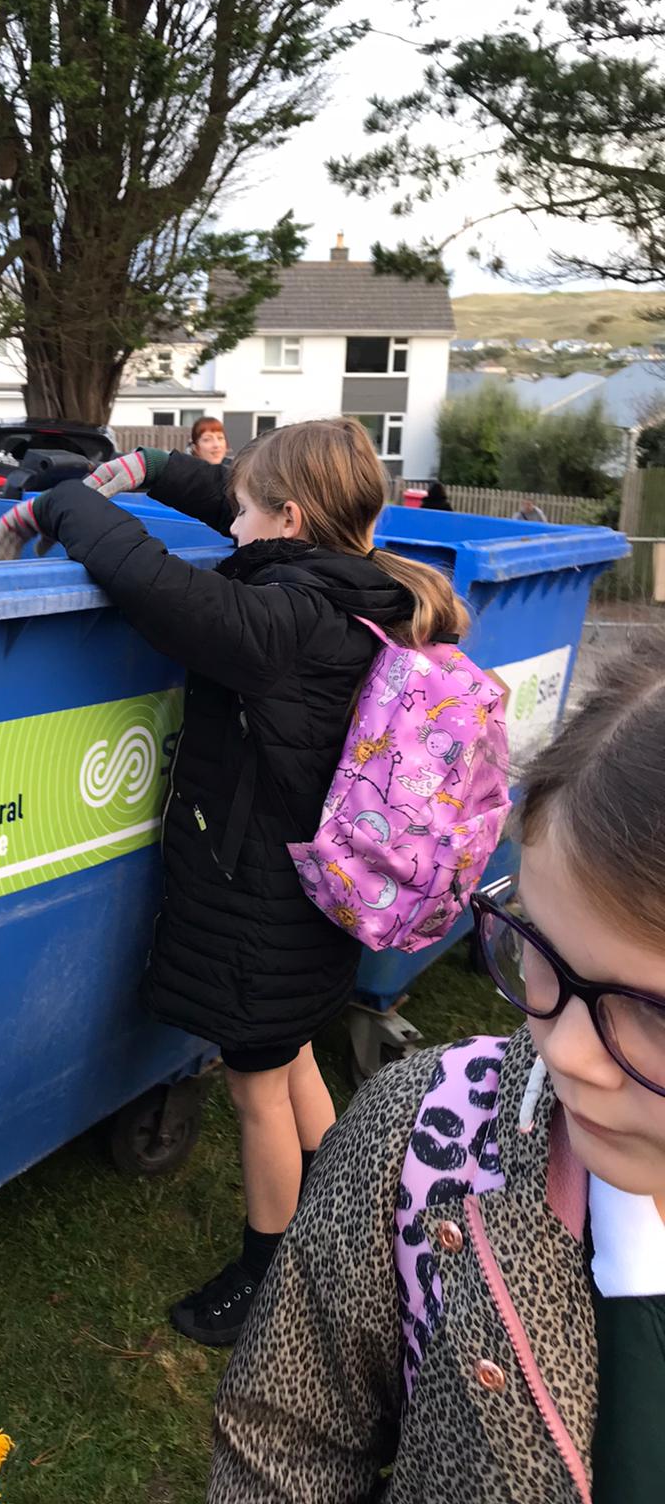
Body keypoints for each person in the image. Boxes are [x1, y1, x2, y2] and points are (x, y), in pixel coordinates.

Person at [0, 419, 467, 1345]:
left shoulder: (282, 622)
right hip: (315, 891)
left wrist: (66, 501)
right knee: (288, 1055)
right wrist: (151, 468)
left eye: (244, 512)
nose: (229, 526)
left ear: (288, 519)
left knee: (255, 1091)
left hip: (263, 900)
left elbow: (158, 588)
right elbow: (239, 512)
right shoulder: (357, 581)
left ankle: (268, 1272)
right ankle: (340, 1215)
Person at [209, 641, 665, 1503]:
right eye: (540, 951)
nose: (563, 1053)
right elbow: (282, 1438)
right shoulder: (425, 1138)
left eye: (652, 1012)